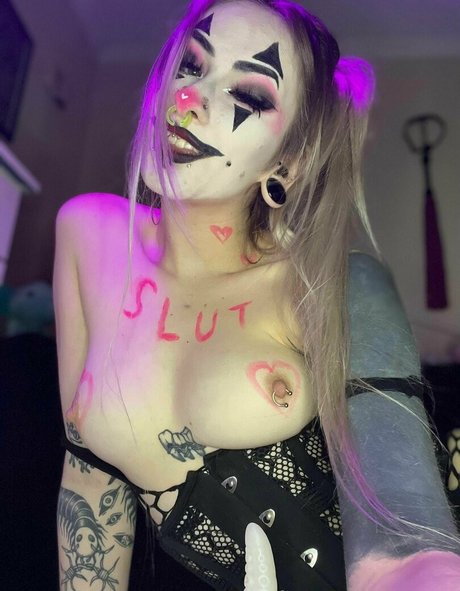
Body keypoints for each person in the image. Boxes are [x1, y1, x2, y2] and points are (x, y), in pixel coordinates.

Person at [54, 1, 460, 589]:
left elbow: (401, 516)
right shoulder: (87, 235)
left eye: (248, 95)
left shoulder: (332, 284)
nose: (188, 99)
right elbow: (89, 483)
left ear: (288, 163)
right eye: (191, 66)